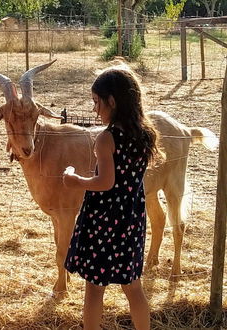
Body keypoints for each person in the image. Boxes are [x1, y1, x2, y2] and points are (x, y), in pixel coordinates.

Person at [63, 66, 161, 330]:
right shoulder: (144, 134)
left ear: (112, 101)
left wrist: (76, 180)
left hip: (103, 220)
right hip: (131, 219)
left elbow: (105, 182)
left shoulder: (107, 139)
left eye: (97, 102)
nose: (95, 110)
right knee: (133, 286)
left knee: (95, 288)